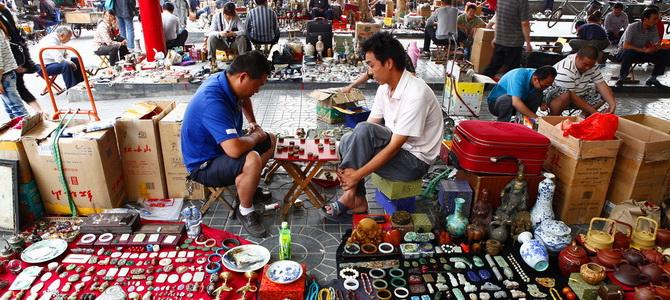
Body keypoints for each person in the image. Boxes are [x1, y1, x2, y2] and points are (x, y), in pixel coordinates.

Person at [319, 32, 443, 221]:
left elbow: (393, 147)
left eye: (371, 65)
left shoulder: (416, 94)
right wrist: (350, 153)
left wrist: (356, 175)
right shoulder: (384, 89)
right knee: (347, 139)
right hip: (398, 150)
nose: (370, 72)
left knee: (361, 133)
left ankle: (351, 196)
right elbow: (366, 131)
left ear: (389, 63)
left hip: (414, 163)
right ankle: (357, 199)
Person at [181, 51, 276, 238]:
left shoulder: (228, 81)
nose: (257, 90)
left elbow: (245, 97)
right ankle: (245, 210)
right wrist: (256, 136)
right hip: (204, 165)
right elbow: (234, 150)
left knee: (270, 139)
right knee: (252, 158)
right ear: (243, 77)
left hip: (221, 150)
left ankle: (248, 186)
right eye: (257, 85)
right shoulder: (212, 100)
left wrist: (253, 124)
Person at [543, 46, 616, 117]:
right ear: (577, 57)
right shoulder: (565, 69)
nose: (588, 68)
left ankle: (583, 116)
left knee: (606, 92)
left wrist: (612, 104)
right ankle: (553, 118)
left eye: (591, 65)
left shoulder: (593, 65)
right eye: (585, 64)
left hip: (580, 95)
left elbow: (601, 84)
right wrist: (596, 113)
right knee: (564, 93)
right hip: (559, 98)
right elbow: (573, 97)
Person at [0, 3, 41, 114]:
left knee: (17, 110)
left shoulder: (3, 12)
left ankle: (39, 116)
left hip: (8, 67)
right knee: (13, 104)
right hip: (14, 60)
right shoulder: (4, 10)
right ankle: (41, 112)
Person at [614, 8, 669, 88]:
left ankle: (653, 78)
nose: (656, 21)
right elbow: (625, 46)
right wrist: (644, 50)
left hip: (640, 53)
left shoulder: (653, 29)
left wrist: (656, 47)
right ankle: (621, 78)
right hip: (624, 54)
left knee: (664, 52)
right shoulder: (633, 27)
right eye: (654, 19)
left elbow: (657, 43)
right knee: (630, 51)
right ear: (646, 19)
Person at [480, 0, 531, 78]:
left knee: (493, 66)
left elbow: (497, 18)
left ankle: (480, 86)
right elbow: (524, 23)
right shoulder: (521, 2)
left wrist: (496, 36)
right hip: (514, 42)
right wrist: (528, 42)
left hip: (500, 40)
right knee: (511, 71)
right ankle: (508, 88)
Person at [487, 66, 557, 122]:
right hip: (497, 104)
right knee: (507, 98)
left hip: (516, 104)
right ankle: (503, 123)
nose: (545, 89)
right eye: (544, 86)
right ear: (536, 79)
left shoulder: (536, 77)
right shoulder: (518, 76)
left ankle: (527, 122)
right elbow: (516, 102)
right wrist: (537, 118)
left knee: (537, 93)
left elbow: (535, 92)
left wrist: (541, 103)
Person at [0, 20, 29, 119]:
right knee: (12, 109)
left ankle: (29, 131)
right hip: (6, 74)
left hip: (4, 75)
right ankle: (19, 130)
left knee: (18, 111)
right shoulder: (1, 29)